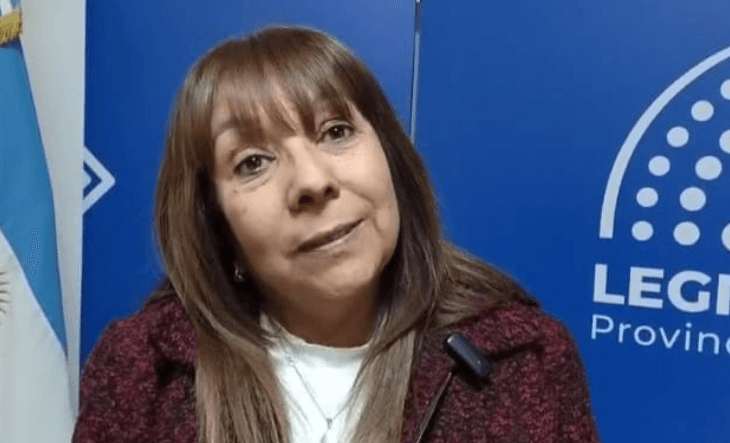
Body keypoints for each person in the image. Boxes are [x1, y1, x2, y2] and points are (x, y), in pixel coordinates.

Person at [73, 26, 600, 443]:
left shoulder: (526, 359)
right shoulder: (140, 371)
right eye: (253, 162)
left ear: (390, 156)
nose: (312, 181)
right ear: (216, 221)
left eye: (336, 131)